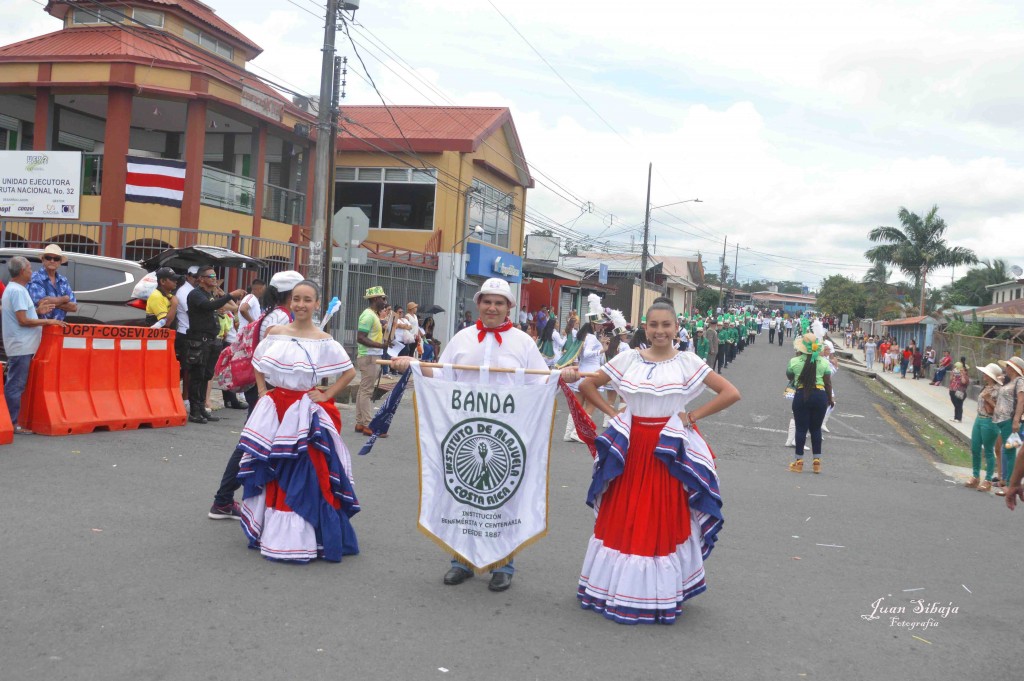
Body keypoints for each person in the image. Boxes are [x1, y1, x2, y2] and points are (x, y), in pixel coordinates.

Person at [391, 277, 569, 593]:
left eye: (499, 302)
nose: (492, 307)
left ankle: (503, 565)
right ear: (479, 304)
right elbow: (442, 378)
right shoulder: (461, 339)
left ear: (509, 308)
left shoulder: (523, 343)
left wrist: (560, 376)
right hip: (463, 432)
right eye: (487, 301)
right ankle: (460, 562)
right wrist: (414, 364)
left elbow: (539, 384)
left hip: (507, 434)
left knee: (504, 499)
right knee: (462, 496)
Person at [570, 300, 741, 624]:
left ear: (677, 328)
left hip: (667, 450)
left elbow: (730, 392)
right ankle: (617, 589)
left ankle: (658, 592)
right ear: (644, 328)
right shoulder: (628, 359)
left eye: (666, 325)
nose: (660, 331)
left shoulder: (688, 361)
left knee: (662, 518)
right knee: (624, 517)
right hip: (632, 448)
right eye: (654, 325)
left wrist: (691, 416)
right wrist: (612, 413)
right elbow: (588, 384)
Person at [235, 279, 360, 563]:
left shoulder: (323, 339)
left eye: (307, 300)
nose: (301, 305)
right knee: (272, 467)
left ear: (317, 304)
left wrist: (326, 393)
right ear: (290, 301)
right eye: (296, 299)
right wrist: (264, 390)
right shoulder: (276, 332)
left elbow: (349, 372)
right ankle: (273, 532)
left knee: (306, 468)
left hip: (304, 412)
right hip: (276, 410)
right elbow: (258, 361)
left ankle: (305, 536)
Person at [208, 271, 302, 519]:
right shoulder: (280, 318)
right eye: (301, 295)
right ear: (291, 294)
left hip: (264, 389)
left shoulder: (271, 314)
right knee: (252, 444)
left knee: (260, 442)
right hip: (268, 389)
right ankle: (224, 500)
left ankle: (260, 500)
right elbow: (271, 358)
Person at [2, 256, 65, 433]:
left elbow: (21, 315)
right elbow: (22, 320)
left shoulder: (14, 289)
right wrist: (48, 322)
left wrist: (37, 312)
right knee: (16, 385)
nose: (32, 272)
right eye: (29, 269)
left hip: (22, 344)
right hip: (21, 345)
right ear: (22, 271)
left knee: (16, 383)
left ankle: (11, 421)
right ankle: (11, 423)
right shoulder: (18, 291)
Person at [185, 267, 246, 424]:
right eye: (210, 276)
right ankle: (195, 411)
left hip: (212, 340)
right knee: (197, 376)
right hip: (200, 340)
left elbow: (218, 307)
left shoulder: (209, 294)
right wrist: (230, 295)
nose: (214, 278)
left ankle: (202, 408)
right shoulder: (196, 294)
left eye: (215, 276)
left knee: (206, 375)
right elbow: (208, 306)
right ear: (201, 279)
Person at [787, 333, 834, 474]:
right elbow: (828, 382)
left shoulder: (794, 361)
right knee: (816, 429)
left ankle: (799, 462)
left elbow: (790, 376)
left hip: (802, 395)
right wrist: (830, 398)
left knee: (801, 429)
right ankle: (817, 463)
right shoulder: (824, 362)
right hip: (820, 395)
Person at [563, 322, 605, 443]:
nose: (600, 326)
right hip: (591, 373)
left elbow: (578, 355)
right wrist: (602, 350)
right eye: (598, 324)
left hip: (582, 371)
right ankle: (577, 432)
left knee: (578, 405)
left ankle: (569, 432)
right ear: (593, 325)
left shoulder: (582, 336)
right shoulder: (591, 337)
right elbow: (587, 354)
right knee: (592, 403)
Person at [355, 286, 388, 436]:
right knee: (367, 391)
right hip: (369, 356)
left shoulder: (372, 315)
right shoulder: (368, 316)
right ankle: (369, 424)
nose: (384, 301)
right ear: (375, 299)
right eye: (382, 298)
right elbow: (361, 337)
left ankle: (360, 422)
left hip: (369, 356)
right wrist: (381, 345)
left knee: (363, 390)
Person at [966, 363, 1003, 492]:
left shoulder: (999, 390)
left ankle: (987, 479)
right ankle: (975, 476)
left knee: (988, 451)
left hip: (989, 421)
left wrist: (989, 400)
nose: (984, 375)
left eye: (986, 373)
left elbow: (1000, 410)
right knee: (975, 448)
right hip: (979, 418)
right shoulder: (985, 387)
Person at [992, 359, 1023, 496]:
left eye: (1009, 367)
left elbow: (1022, 400)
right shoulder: (1010, 382)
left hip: (1010, 421)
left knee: (1009, 452)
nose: (1006, 369)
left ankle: (1010, 485)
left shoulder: (1019, 381)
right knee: (1006, 450)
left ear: (1014, 368)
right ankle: (1006, 481)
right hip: (1003, 421)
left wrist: (1016, 420)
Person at [26, 244, 78, 321]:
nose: (52, 261)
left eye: (56, 258)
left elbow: (74, 307)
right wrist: (64, 299)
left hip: (58, 328)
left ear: (60, 262)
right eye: (48, 257)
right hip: (38, 327)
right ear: (43, 260)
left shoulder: (63, 280)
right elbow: (42, 302)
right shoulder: (35, 278)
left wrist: (52, 301)